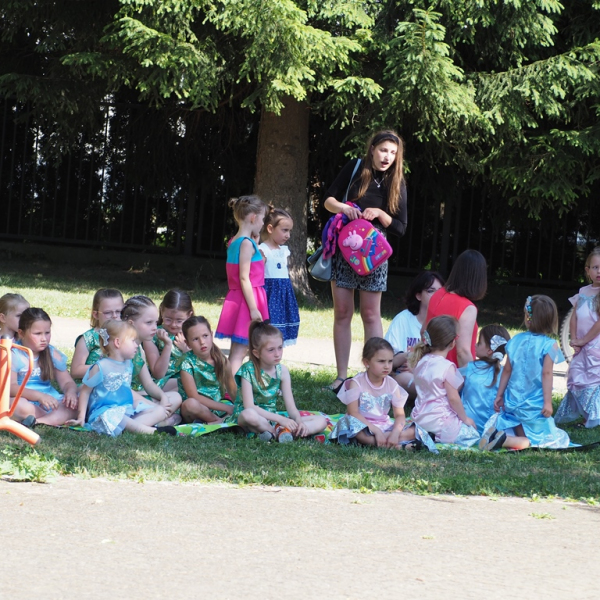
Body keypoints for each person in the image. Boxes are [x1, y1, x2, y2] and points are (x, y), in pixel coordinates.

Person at [323, 130, 407, 392]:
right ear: (372, 149)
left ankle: (375, 378)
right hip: (345, 250)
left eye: (392, 153)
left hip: (375, 255)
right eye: (383, 150)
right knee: (343, 312)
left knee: (371, 314)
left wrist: (381, 213)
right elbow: (328, 201)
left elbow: (401, 227)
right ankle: (341, 377)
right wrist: (344, 208)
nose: (387, 157)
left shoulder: (397, 180)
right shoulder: (355, 167)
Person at [481, 295, 569, 450]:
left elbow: (507, 370)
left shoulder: (515, 340)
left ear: (528, 318)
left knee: (516, 423)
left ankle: (501, 436)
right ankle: (506, 440)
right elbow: (546, 374)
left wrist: (499, 395)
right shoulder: (549, 345)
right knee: (548, 440)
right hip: (533, 405)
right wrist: (548, 403)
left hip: (513, 402)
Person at [69, 320, 177, 436]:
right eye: (133, 341)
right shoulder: (101, 367)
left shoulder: (128, 364)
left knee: (159, 410)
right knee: (116, 416)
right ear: (118, 343)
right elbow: (85, 392)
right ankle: (152, 431)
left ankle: (130, 429)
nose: (136, 345)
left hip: (126, 410)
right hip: (104, 414)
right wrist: (81, 417)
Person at [226, 321, 327, 442]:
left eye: (280, 348)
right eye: (271, 350)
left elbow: (291, 407)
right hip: (251, 418)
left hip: (272, 418)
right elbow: (249, 406)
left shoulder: (282, 371)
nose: (277, 354)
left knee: (321, 421)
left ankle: (278, 432)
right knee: (248, 415)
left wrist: (299, 422)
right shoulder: (247, 370)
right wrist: (281, 419)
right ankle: (279, 432)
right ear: (256, 353)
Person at [329, 337, 427, 450]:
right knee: (354, 429)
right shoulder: (356, 383)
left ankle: (382, 441)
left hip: (384, 425)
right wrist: (376, 431)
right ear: (366, 362)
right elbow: (353, 413)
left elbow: (400, 415)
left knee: (415, 430)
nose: (387, 366)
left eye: (390, 361)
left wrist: (395, 432)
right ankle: (397, 446)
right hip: (362, 424)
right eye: (381, 361)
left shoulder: (392, 384)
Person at [216, 195, 269, 375]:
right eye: (262, 218)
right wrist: (253, 309)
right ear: (253, 217)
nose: (263, 223)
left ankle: (231, 385)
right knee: (240, 351)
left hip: (239, 297)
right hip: (248, 300)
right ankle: (231, 389)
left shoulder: (235, 241)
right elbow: (244, 278)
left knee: (238, 349)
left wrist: (256, 242)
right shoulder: (246, 244)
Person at [409, 316, 480, 447]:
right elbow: (453, 398)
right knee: (473, 435)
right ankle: (436, 437)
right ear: (452, 343)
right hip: (439, 421)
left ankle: (425, 435)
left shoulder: (421, 361)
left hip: (419, 417)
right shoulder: (447, 367)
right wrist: (465, 419)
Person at [9, 307, 79, 427]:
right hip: (25, 400)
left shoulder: (52, 353)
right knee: (15, 405)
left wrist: (71, 392)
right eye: (37, 334)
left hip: (51, 400)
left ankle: (38, 422)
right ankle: (52, 419)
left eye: (47, 333)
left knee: (79, 402)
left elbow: (67, 382)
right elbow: (11, 387)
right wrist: (39, 396)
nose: (44, 339)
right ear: (21, 333)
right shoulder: (14, 354)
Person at [556, 248, 600, 428]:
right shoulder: (583, 291)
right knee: (577, 374)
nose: (599, 271)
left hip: (595, 344)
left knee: (593, 377)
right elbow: (574, 317)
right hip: (581, 343)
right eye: (595, 267)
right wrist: (574, 339)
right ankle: (586, 411)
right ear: (587, 270)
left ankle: (592, 417)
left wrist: (584, 340)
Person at [120, 295, 182, 422]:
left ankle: (152, 419)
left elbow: (148, 383)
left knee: (175, 397)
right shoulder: (121, 349)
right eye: (149, 323)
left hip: (137, 397)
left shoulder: (139, 350)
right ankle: (150, 421)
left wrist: (162, 397)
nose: (155, 327)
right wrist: (156, 407)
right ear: (131, 324)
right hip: (118, 400)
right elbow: (120, 388)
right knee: (157, 409)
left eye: (155, 322)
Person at [385, 270, 444, 398]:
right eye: (431, 291)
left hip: (434, 375)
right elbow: (387, 359)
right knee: (405, 378)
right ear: (418, 295)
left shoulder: (445, 323)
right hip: (405, 376)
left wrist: (418, 366)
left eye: (440, 292)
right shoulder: (403, 319)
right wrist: (409, 357)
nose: (437, 296)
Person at [425, 249, 487, 368]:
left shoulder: (438, 294)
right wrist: (473, 376)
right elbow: (462, 352)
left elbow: (424, 331)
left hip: (430, 366)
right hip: (452, 372)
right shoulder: (467, 308)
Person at [179, 316, 237, 423]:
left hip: (217, 407)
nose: (202, 342)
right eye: (195, 339)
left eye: (205, 336)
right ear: (187, 344)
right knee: (190, 404)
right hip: (196, 409)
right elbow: (194, 396)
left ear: (211, 335)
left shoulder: (222, 360)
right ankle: (219, 422)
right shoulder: (186, 363)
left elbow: (232, 389)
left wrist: (241, 407)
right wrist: (227, 408)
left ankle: (215, 421)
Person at [460, 325, 512, 435]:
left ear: (489, 350)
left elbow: (451, 391)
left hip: (467, 428)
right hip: (495, 430)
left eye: (479, 343)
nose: (475, 345)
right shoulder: (506, 375)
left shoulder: (469, 368)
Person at [259, 207, 300, 346]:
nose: (288, 235)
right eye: (285, 230)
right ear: (270, 229)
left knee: (282, 322)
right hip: (270, 294)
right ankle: (265, 348)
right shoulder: (263, 250)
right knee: (270, 324)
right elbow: (257, 276)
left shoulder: (284, 250)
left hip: (284, 294)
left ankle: (276, 349)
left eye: (289, 231)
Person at [143, 289, 194, 391]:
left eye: (179, 321)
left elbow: (204, 367)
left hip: (190, 379)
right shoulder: (152, 335)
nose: (173, 325)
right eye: (168, 319)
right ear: (161, 311)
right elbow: (158, 374)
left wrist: (187, 351)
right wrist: (167, 345)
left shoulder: (194, 334)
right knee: (188, 384)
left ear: (189, 315)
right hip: (164, 384)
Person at [71, 288, 124, 379]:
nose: (115, 316)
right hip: (92, 385)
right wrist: (104, 367)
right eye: (108, 312)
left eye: (119, 311)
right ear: (96, 315)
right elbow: (75, 371)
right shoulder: (88, 338)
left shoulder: (127, 336)